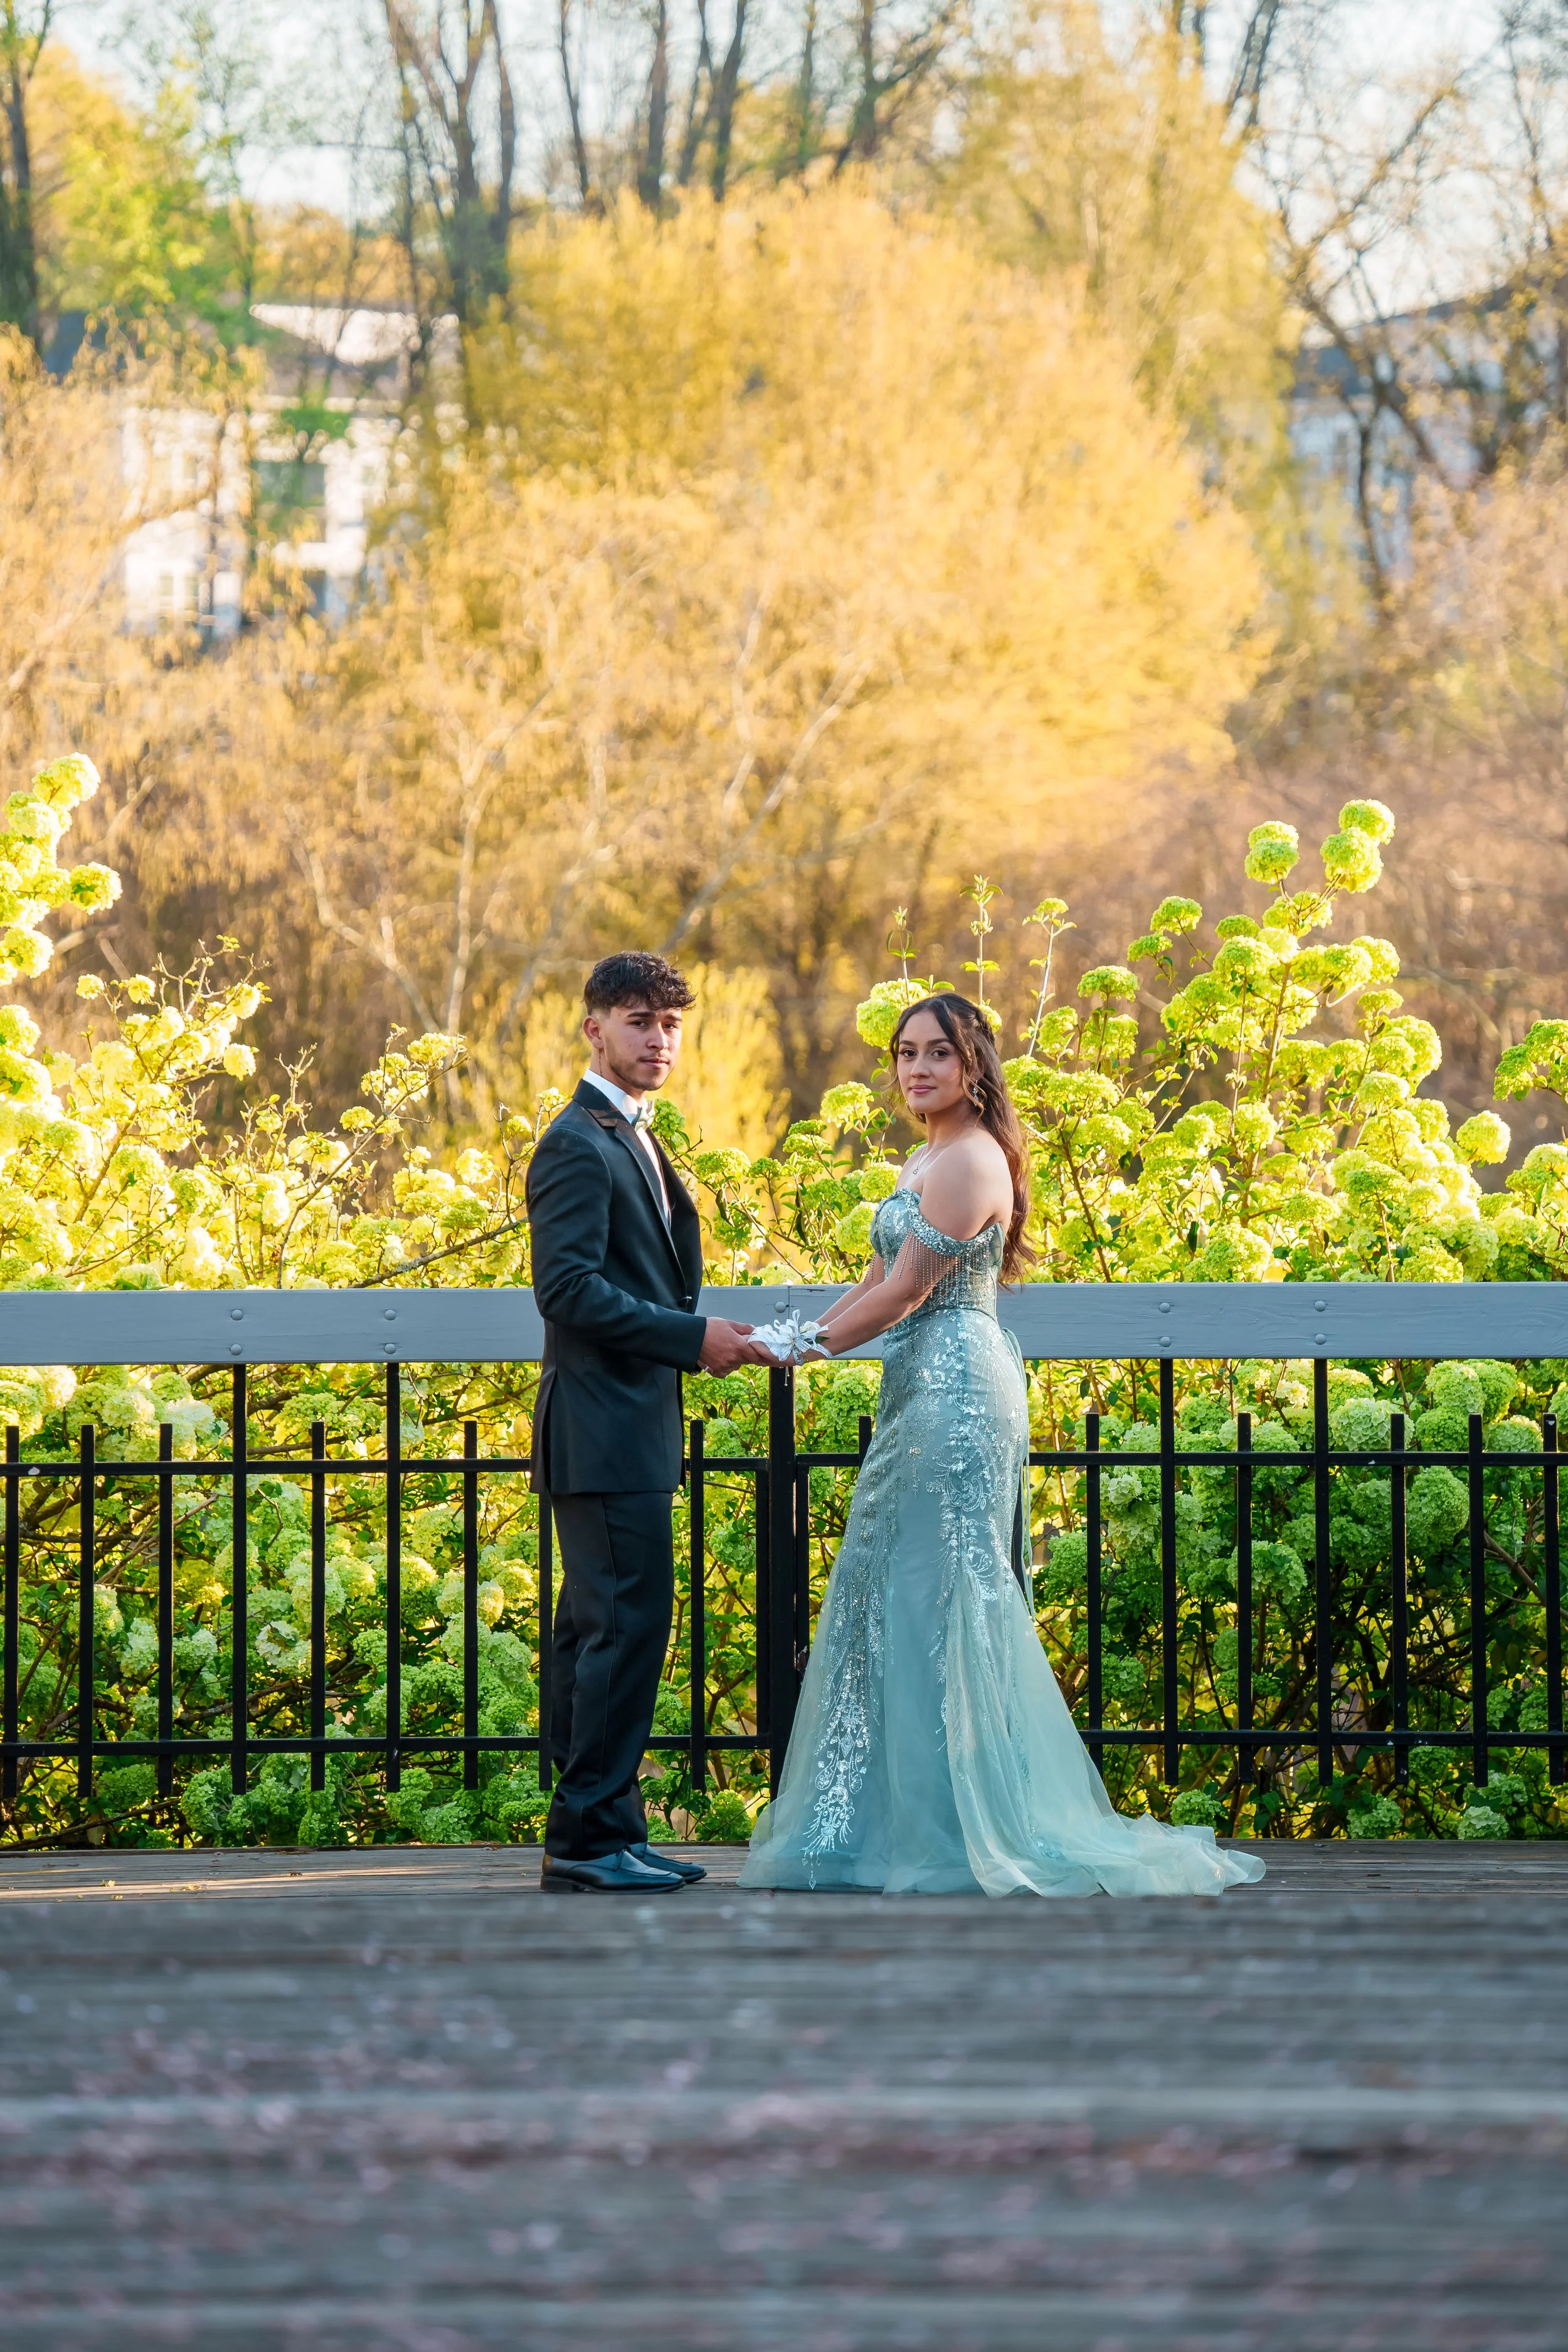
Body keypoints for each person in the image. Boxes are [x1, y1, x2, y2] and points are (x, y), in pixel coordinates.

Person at [739, 992, 1266, 1899]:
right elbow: (870, 1278)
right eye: (905, 1053)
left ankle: (967, 1825)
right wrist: (797, 1332)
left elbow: (904, 1293)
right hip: (919, 1385)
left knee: (949, 1588)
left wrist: (796, 1347)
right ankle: (901, 1818)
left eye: (937, 1053)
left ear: (973, 1064)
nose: (916, 1068)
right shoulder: (923, 1154)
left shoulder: (971, 1159)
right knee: (894, 1586)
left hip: (957, 1388)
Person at [528, 951, 773, 1894]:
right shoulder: (576, 1141)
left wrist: (692, 1333)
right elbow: (568, 1291)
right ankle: (588, 1839)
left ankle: (603, 1828)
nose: (658, 1039)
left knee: (605, 1631)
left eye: (670, 1024)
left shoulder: (630, 1132)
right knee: (623, 1630)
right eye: (638, 1021)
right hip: (601, 1432)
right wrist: (692, 1337)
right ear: (593, 1027)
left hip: (622, 1430)